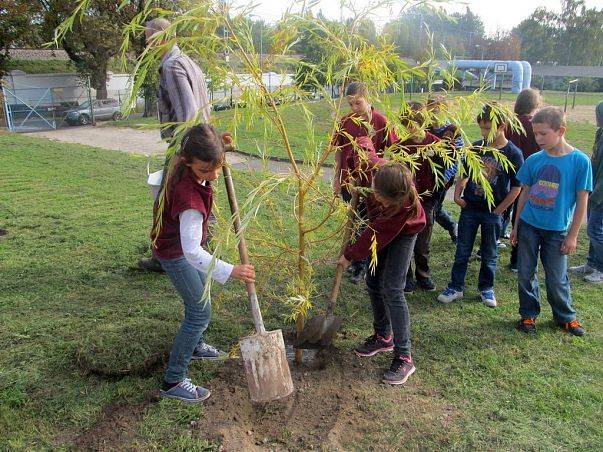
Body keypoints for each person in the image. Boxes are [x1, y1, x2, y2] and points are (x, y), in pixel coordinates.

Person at [152, 125, 255, 402]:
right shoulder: (188, 201)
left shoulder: (185, 159)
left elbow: (201, 144)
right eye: (204, 171)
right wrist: (230, 270)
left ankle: (195, 346)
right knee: (199, 312)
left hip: (175, 246)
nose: (213, 175)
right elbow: (192, 253)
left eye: (218, 166)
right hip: (176, 253)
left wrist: (218, 145)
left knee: (201, 304)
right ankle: (173, 379)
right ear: (187, 162)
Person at [338, 162, 426, 385]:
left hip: (406, 232)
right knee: (374, 282)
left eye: (381, 197)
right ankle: (383, 336)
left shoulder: (403, 208)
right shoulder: (377, 175)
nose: (376, 198)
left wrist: (350, 255)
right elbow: (362, 147)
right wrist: (353, 171)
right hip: (384, 226)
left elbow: (375, 232)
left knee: (393, 289)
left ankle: (404, 356)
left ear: (394, 199)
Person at [139, 17, 213, 273]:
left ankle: (167, 256)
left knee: (167, 202)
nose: (147, 46)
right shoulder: (189, 62)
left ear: (162, 37)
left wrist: (183, 155)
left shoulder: (171, 66)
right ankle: (200, 248)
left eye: (149, 40)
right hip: (202, 145)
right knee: (197, 198)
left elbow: (188, 114)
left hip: (187, 147)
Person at [511, 107, 592, 336]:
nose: (538, 139)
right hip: (529, 226)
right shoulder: (534, 160)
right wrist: (515, 227)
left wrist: (573, 235)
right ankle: (528, 315)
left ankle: (565, 317)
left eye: (543, 134)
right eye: (535, 134)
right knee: (525, 273)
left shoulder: (580, 161)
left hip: (557, 231)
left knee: (556, 278)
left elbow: (582, 201)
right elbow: (524, 194)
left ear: (561, 130)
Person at [437, 104, 524, 308]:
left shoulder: (513, 153)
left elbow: (517, 187)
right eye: (482, 128)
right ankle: (455, 286)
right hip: (470, 209)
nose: (485, 133)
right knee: (462, 249)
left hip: (492, 213)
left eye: (489, 128)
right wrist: (458, 195)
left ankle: (486, 288)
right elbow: (464, 174)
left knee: (489, 252)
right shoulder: (475, 147)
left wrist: (500, 210)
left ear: (502, 126)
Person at [332, 81, 398, 283]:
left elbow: (394, 151)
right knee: (352, 223)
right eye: (350, 104)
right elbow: (338, 152)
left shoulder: (381, 121)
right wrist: (336, 179)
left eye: (358, 103)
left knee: (367, 223)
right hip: (348, 183)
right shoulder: (344, 122)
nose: (354, 109)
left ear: (368, 98)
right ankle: (356, 263)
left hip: (371, 186)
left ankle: (366, 263)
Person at [397, 102, 441, 293]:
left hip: (426, 200)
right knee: (405, 238)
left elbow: (444, 171)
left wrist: (434, 194)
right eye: (406, 126)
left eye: (413, 125)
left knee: (423, 242)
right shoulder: (399, 144)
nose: (410, 130)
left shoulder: (434, 143)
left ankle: (423, 274)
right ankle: (407, 277)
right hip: (405, 200)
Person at [505, 88, 541, 271]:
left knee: (503, 210)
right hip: (526, 177)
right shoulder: (534, 124)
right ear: (535, 105)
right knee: (519, 217)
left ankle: (493, 242)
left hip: (507, 175)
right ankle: (516, 260)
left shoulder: (510, 123)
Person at [569, 101, 603, 283]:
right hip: (594, 188)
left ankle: (601, 268)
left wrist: (596, 193)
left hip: (600, 193)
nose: (596, 117)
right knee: (594, 228)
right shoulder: (600, 133)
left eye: (598, 113)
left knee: (596, 230)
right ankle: (592, 263)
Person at [426, 94, 464, 244]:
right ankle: (452, 226)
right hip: (425, 177)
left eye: (437, 109)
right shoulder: (426, 128)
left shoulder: (453, 130)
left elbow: (457, 157)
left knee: (434, 208)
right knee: (433, 207)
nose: (434, 113)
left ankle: (452, 226)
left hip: (442, 178)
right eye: (431, 109)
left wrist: (445, 178)